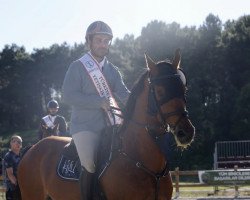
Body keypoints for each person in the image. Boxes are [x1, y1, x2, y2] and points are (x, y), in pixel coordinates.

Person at [62, 21, 130, 199]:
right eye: (98, 40)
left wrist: (143, 102)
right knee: (90, 164)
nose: (102, 44)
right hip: (84, 127)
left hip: (111, 126)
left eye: (106, 41)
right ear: (89, 42)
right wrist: (98, 102)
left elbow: (124, 94)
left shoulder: (112, 70)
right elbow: (68, 96)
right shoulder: (77, 66)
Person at [4, 135, 22, 200]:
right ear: (11, 144)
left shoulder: (21, 156)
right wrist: (19, 186)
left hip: (21, 187)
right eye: (14, 141)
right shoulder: (8, 156)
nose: (17, 143)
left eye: (19, 142)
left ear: (21, 145)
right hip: (12, 189)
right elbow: (10, 175)